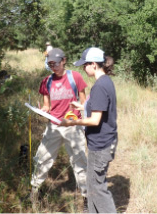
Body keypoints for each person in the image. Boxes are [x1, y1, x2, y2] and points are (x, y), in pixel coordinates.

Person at [60, 47, 118, 213]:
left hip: (101, 144)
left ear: (93, 64)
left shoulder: (99, 86)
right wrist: (82, 105)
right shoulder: (106, 81)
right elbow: (98, 107)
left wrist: (72, 123)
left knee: (97, 188)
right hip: (102, 141)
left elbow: (95, 120)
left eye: (85, 65)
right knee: (92, 185)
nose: (83, 69)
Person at [31, 48, 88, 211]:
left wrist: (81, 119)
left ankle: (87, 199)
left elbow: (84, 102)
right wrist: (43, 110)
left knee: (79, 162)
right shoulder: (46, 81)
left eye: (55, 63)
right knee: (42, 158)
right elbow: (47, 105)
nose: (53, 67)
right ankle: (35, 191)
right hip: (54, 126)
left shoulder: (75, 77)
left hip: (72, 125)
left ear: (63, 60)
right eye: (49, 64)